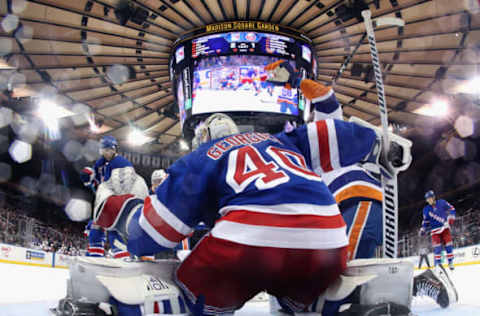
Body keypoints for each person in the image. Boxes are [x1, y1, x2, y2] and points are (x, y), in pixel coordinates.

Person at [90, 63, 411, 315]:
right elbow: (334, 132)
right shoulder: (282, 140)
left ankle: (135, 308)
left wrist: (123, 211)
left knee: (192, 288)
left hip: (246, 242)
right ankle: (337, 304)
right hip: (325, 237)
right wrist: (378, 146)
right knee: (298, 295)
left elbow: (152, 233)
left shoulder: (201, 158)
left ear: (203, 138)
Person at [420, 190, 456, 271]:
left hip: (445, 228)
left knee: (448, 245)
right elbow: (425, 221)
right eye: (427, 199)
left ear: (433, 197)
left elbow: (452, 209)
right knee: (437, 248)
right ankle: (438, 264)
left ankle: (450, 262)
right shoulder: (426, 209)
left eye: (429, 198)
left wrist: (450, 219)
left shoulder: (442, 202)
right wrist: (423, 229)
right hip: (435, 231)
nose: (428, 200)